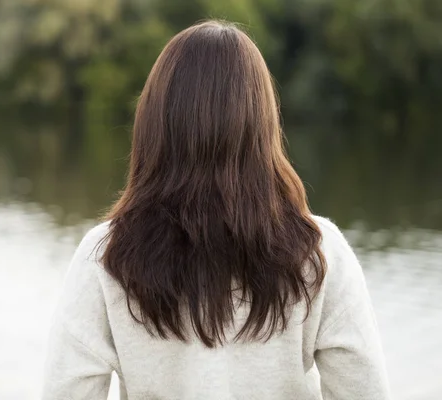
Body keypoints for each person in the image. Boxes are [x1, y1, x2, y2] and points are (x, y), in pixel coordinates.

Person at [41, 20, 390, 400]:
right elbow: (363, 389)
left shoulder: (105, 254)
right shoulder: (321, 252)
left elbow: (67, 390)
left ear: (154, 122)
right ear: (262, 124)